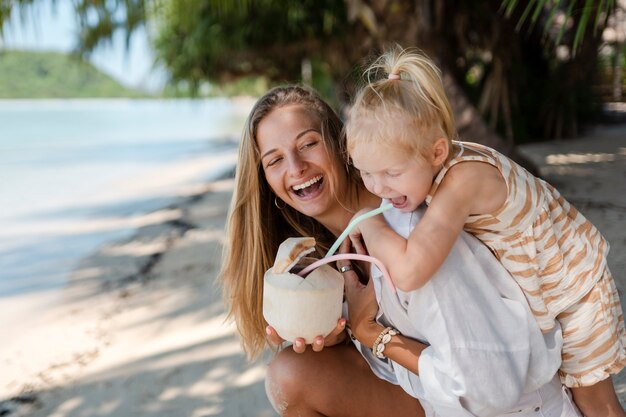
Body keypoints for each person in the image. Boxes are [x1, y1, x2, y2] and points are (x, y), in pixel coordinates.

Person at [220, 85, 581, 416]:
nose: (296, 168)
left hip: (510, 409)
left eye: (308, 144)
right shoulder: (334, 256)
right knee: (292, 375)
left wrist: (372, 335)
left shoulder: (412, 238)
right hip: (437, 401)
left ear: (341, 143)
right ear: (267, 183)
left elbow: (492, 387)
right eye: (275, 160)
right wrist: (339, 334)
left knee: (291, 376)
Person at [345, 45, 626, 417]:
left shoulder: (463, 180)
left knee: (597, 403)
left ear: (437, 152)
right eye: (366, 173)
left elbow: (412, 272)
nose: (378, 187)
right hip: (544, 287)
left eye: (391, 174)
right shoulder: (425, 167)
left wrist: (369, 220)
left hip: (575, 290)